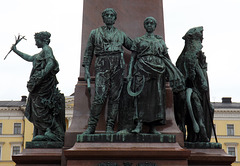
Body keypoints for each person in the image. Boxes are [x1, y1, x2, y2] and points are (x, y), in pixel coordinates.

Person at [127, 17, 184, 134]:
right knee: (141, 97)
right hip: (141, 69)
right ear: (144, 25)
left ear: (155, 26)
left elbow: (167, 58)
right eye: (147, 23)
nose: (149, 25)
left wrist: (172, 71)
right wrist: (129, 74)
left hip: (158, 71)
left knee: (156, 98)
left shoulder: (160, 42)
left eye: (152, 23)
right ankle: (139, 124)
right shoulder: (138, 40)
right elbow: (132, 58)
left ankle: (153, 126)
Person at [82, 8, 132, 134]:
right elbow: (88, 52)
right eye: (107, 15)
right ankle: (91, 127)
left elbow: (134, 46)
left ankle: (110, 126)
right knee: (99, 97)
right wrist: (86, 70)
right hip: (102, 63)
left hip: (118, 64)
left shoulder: (121, 34)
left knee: (115, 98)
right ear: (103, 18)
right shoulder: (95, 33)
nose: (109, 17)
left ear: (115, 19)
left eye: (111, 15)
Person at [12, 31, 65, 142]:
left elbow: (50, 63)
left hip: (44, 85)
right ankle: (48, 131)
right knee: (38, 108)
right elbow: (29, 57)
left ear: (43, 40)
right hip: (39, 86)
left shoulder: (47, 50)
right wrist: (15, 50)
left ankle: (55, 132)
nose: (35, 43)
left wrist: (41, 75)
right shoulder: (42, 53)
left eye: (36, 40)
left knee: (41, 109)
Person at [175, 26, 214, 142]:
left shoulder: (196, 57)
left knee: (209, 109)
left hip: (197, 91)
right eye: (198, 41)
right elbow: (191, 77)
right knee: (195, 103)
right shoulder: (187, 57)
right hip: (188, 90)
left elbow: (201, 77)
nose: (200, 45)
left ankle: (200, 134)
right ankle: (200, 131)